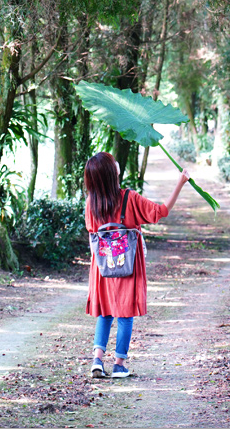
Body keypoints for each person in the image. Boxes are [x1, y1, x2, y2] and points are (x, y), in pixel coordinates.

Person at [84, 150, 190, 379]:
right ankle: (119, 364)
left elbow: (92, 231)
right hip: (127, 266)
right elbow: (161, 212)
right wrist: (180, 183)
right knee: (125, 314)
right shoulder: (129, 199)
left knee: (105, 313)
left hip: (102, 267)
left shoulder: (91, 202)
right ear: (112, 173)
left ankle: (97, 360)